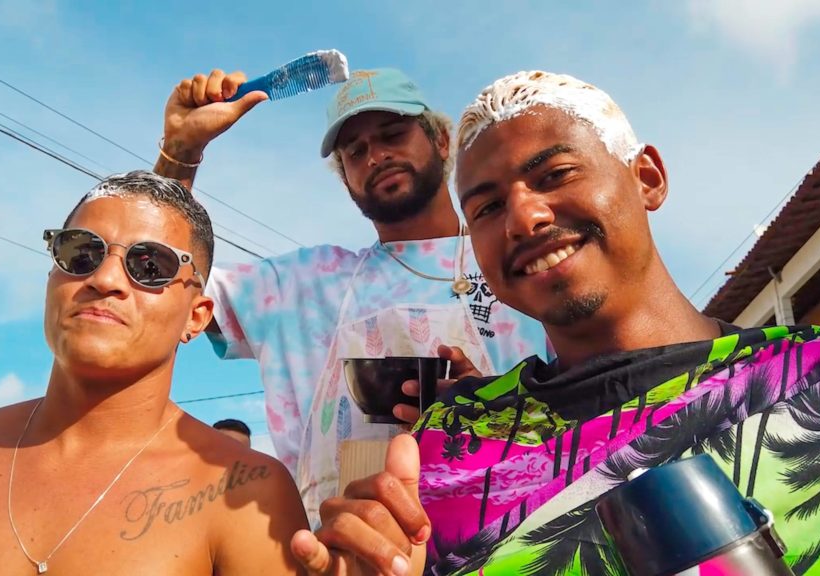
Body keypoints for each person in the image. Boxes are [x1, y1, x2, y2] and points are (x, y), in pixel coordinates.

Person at [290, 71, 820, 576]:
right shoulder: (445, 451)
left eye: (555, 175)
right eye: (488, 207)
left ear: (647, 177)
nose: (523, 218)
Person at [153, 68, 550, 522]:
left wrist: (495, 413)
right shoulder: (302, 286)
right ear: (346, 179)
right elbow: (158, 277)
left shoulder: (519, 261)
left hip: (520, 542)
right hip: (333, 549)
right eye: (356, 152)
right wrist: (180, 154)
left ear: (442, 141)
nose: (377, 156)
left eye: (393, 135)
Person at [0, 171, 307, 575]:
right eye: (80, 253)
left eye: (151, 266)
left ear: (196, 317)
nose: (106, 278)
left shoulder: (245, 496)